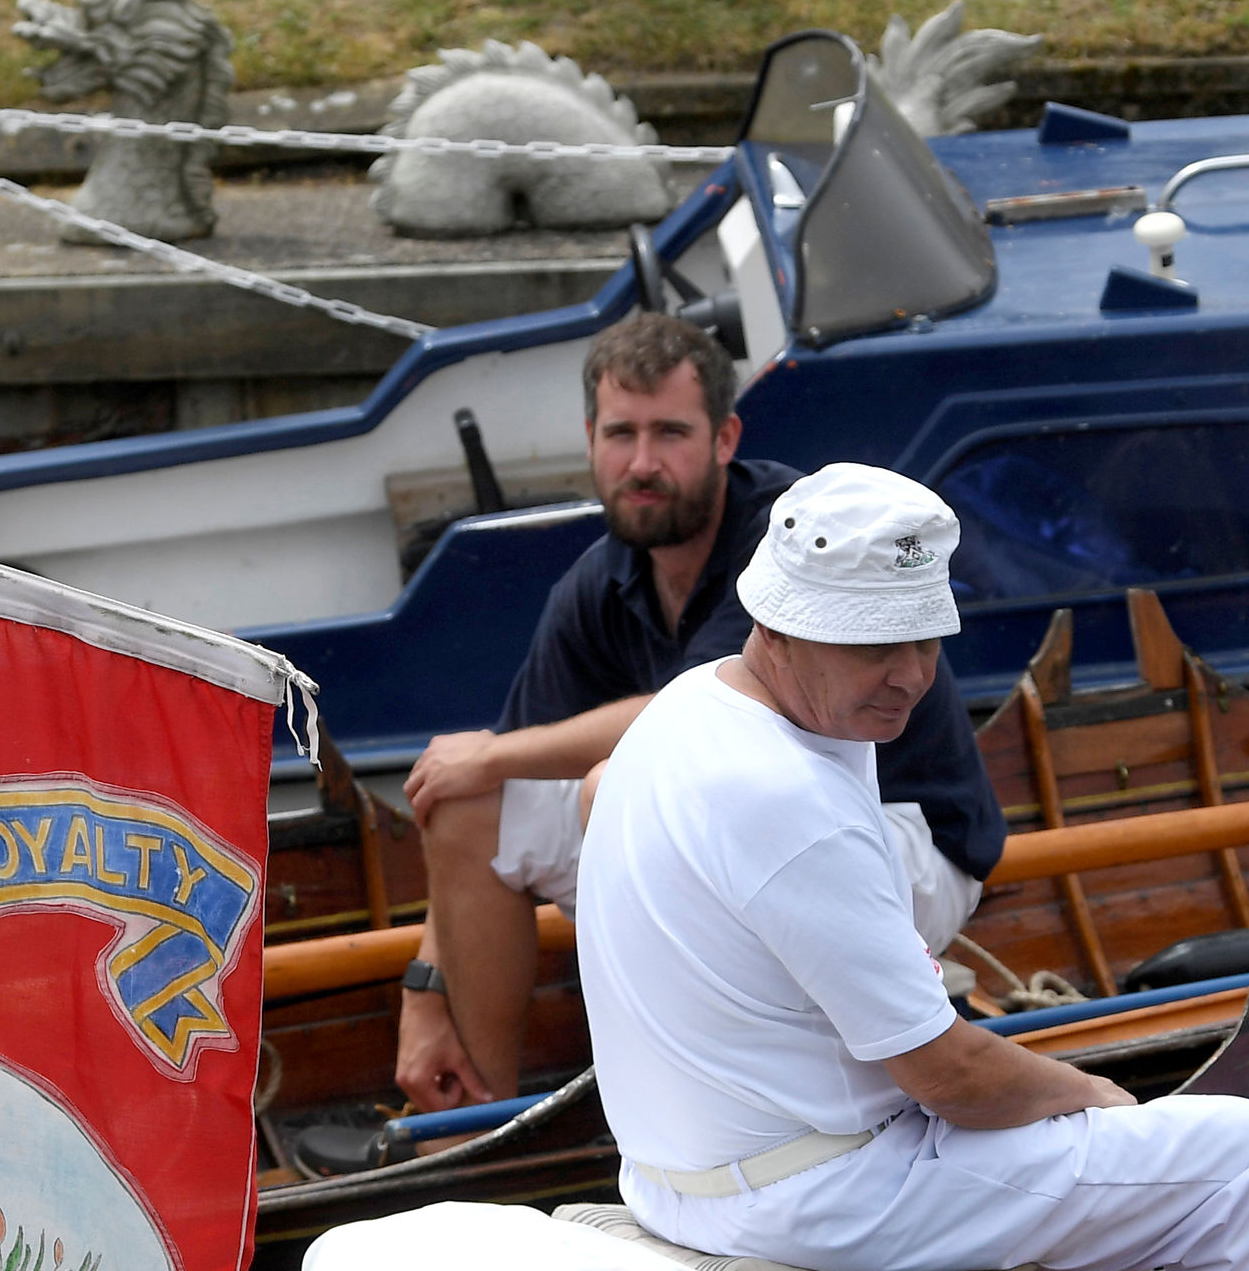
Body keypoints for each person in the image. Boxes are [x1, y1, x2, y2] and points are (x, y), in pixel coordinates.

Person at [577, 463, 1249, 1271]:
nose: (909, 675)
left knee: (1081, 1152)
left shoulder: (688, 709)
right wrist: (1092, 1096)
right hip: (817, 1191)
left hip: (675, 1173)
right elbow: (949, 1080)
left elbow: (595, 794)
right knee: (1243, 1158)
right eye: (873, 645)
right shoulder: (790, 799)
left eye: (923, 637)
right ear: (775, 625)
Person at [393, 313, 1005, 1111]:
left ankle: (694, 1114)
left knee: (605, 786)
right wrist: (423, 988)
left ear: (724, 439)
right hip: (740, 831)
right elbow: (486, 791)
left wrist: (494, 755)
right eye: (621, 434)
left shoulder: (790, 542)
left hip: (905, 833)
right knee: (470, 804)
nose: (643, 463)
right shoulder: (598, 582)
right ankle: (479, 1126)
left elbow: (693, 714)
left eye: (671, 433)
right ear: (589, 439)